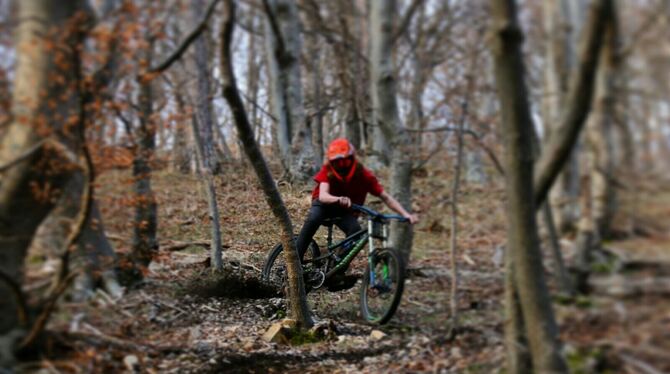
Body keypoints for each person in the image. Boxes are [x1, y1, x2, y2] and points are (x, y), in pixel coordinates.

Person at [295, 138, 418, 290]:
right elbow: (323, 196)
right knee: (313, 219)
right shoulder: (327, 171)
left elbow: (385, 197)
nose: (341, 166)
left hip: (344, 209)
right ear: (331, 162)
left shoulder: (364, 175)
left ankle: (335, 270)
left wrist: (406, 214)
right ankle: (294, 260)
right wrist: (338, 199)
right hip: (324, 204)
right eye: (337, 162)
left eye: (344, 162)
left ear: (352, 159)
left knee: (356, 232)